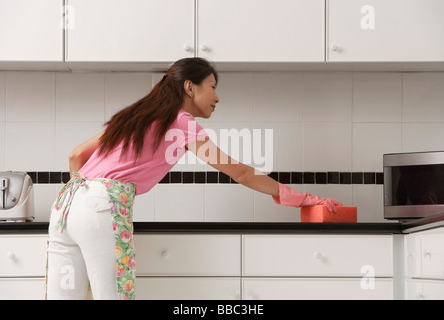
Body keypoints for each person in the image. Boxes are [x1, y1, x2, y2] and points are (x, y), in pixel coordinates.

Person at [45, 57, 341, 300]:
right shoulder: (181, 121)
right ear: (190, 87)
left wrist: (84, 200)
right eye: (212, 86)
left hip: (65, 206)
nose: (217, 97)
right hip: (102, 206)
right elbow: (238, 171)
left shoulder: (133, 114)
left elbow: (76, 156)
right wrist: (304, 198)